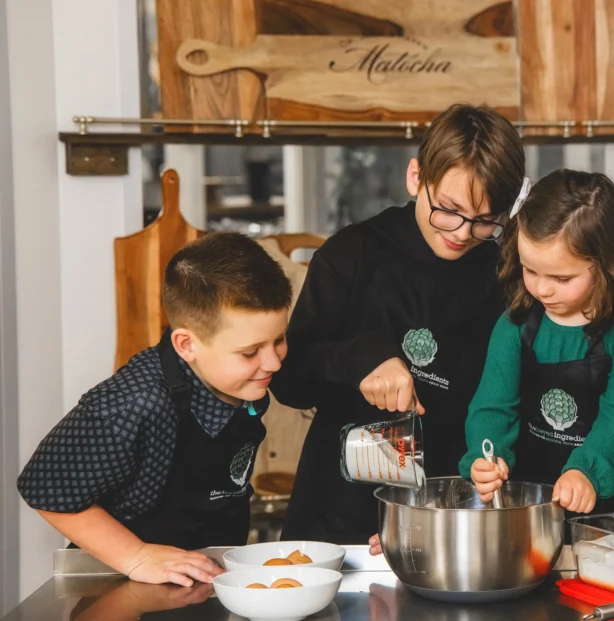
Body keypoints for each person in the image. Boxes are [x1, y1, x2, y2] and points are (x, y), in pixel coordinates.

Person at [270, 103, 526, 544]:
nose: (462, 233)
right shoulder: (351, 254)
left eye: (485, 221)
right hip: (337, 517)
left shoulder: (505, 276)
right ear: (415, 177)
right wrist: (361, 359)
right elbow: (289, 380)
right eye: (448, 209)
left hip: (447, 519)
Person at [17, 232, 293, 586]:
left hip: (208, 571)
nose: (273, 363)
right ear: (186, 345)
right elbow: (45, 487)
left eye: (279, 339)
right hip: (125, 580)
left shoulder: (244, 380)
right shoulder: (133, 403)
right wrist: (137, 556)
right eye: (250, 352)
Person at [461, 169, 614, 518]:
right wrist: (485, 457)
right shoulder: (513, 326)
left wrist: (586, 472)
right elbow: (493, 406)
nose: (542, 289)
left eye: (562, 278)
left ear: (607, 264)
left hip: (611, 509)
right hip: (531, 504)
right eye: (530, 270)